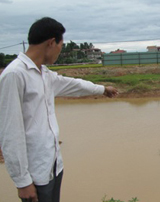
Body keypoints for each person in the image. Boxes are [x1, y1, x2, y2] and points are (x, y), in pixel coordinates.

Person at [0, 17, 118, 202]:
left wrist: (103, 89)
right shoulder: (15, 74)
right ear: (51, 43)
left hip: (53, 166)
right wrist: (22, 182)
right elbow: (10, 133)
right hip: (35, 175)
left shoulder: (44, 73)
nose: (60, 52)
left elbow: (74, 85)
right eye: (61, 46)